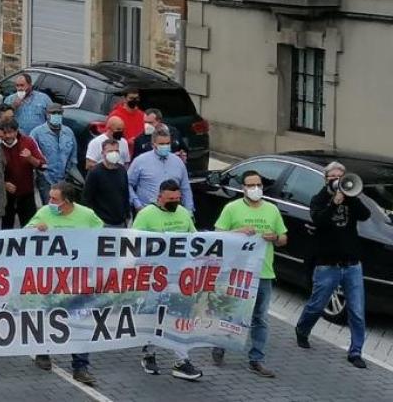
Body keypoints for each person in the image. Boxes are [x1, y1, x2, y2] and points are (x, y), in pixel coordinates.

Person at [211, 170, 287, 376]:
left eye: (259, 185)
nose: (255, 189)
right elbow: (218, 236)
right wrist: (238, 232)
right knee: (232, 312)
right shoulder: (232, 209)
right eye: (251, 185)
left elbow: (283, 239)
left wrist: (276, 237)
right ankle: (220, 345)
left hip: (264, 273)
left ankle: (257, 359)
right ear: (243, 188)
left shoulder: (272, 210)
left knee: (260, 318)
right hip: (238, 272)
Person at [295, 161, 369, 368]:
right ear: (326, 179)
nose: (337, 180)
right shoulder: (319, 199)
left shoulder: (351, 199)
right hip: (328, 264)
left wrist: (351, 198)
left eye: (340, 177)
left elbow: (366, 215)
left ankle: (355, 352)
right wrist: (334, 203)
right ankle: (302, 329)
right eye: (333, 177)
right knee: (317, 305)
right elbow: (319, 220)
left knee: (356, 310)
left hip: (352, 265)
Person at [28, 182, 102, 385]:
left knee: (80, 321)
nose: (49, 202)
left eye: (54, 199)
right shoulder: (44, 213)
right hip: (51, 278)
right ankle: (43, 352)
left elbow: (103, 236)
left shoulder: (86, 215)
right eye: (50, 197)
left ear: (67, 201)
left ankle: (81, 367)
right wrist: (36, 229)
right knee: (48, 316)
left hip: (79, 279)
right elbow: (24, 236)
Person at [133, 180, 204, 380]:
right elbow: (135, 243)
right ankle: (149, 354)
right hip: (155, 277)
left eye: (177, 198)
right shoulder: (146, 215)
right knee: (154, 317)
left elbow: (194, 238)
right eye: (171, 199)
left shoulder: (182, 213)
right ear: (160, 197)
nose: (175, 202)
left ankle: (181, 360)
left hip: (180, 276)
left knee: (180, 317)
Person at [127, 127, 193, 214]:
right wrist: (137, 205)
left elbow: (185, 189)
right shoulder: (140, 161)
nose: (165, 146)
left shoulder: (178, 162)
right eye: (161, 144)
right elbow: (128, 183)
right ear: (153, 144)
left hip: (173, 212)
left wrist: (189, 211)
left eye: (168, 143)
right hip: (148, 212)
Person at [29, 103, 77, 204]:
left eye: (59, 113)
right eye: (53, 113)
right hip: (45, 179)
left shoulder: (68, 132)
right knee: (50, 208)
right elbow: (32, 157)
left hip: (64, 179)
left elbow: (73, 156)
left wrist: (66, 173)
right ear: (47, 114)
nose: (56, 115)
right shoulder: (36, 133)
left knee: (64, 207)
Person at [0, 119, 44, 228]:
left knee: (29, 227)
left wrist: (30, 158)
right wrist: (4, 184)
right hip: (5, 197)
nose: (8, 136)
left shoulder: (28, 142)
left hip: (26, 195)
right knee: (6, 229)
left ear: (16, 131)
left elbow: (43, 165)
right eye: (5, 133)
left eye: (11, 132)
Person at [82, 138, 131, 227]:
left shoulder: (122, 170)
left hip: (120, 221)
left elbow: (125, 194)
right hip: (102, 222)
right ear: (103, 153)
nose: (114, 153)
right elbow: (87, 198)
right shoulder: (95, 172)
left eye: (116, 150)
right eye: (110, 151)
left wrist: (127, 215)